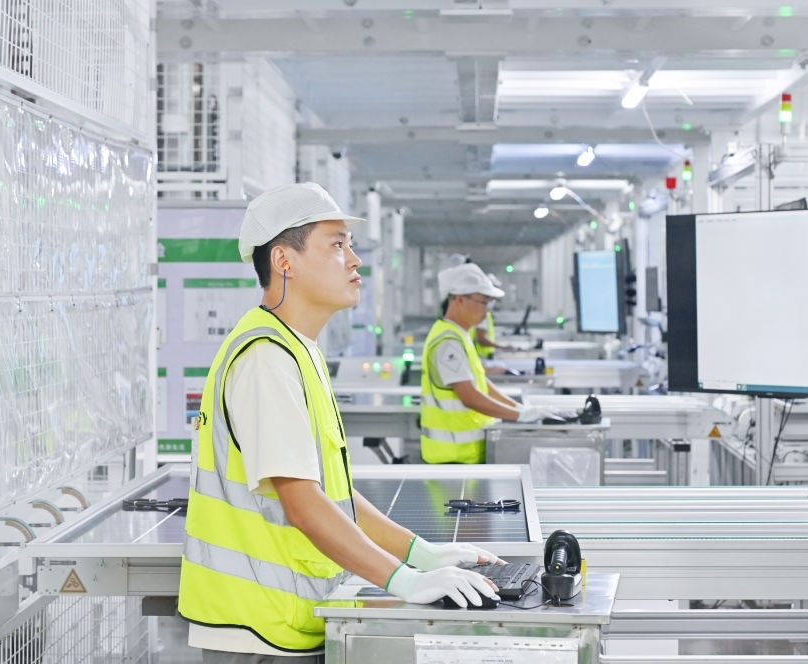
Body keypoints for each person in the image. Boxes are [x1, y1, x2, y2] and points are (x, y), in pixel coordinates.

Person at [178, 182, 500, 662]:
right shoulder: (266, 358)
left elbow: (333, 495)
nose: (355, 260)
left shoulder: (297, 348)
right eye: (336, 245)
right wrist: (406, 581)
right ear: (284, 261)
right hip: (258, 629)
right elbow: (304, 505)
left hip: (286, 618)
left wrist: (419, 553)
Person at [420, 263, 553, 464]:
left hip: (465, 455)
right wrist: (518, 416)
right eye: (483, 302)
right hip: (452, 458)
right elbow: (470, 397)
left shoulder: (460, 334)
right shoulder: (448, 341)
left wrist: (519, 408)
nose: (487, 311)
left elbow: (481, 383)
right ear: (459, 299)